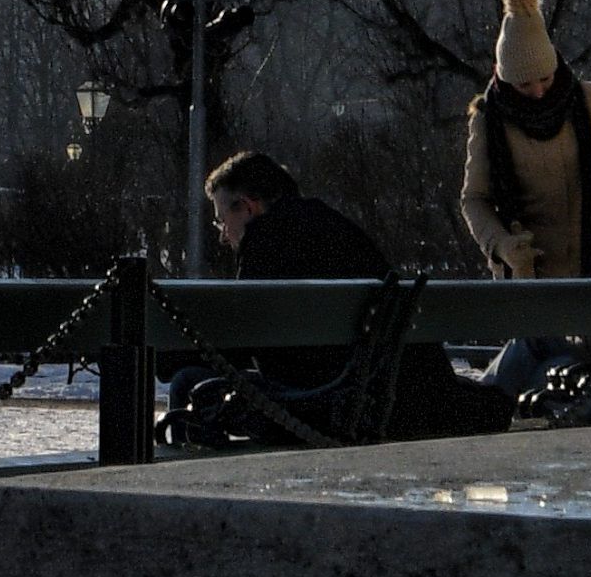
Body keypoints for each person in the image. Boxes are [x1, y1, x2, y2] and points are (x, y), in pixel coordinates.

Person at [177, 151, 511, 442]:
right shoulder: (334, 226)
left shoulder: (264, 243)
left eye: (222, 220)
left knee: (186, 382)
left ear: (249, 208)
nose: (223, 235)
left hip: (332, 407)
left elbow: (243, 347)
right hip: (401, 396)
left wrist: (175, 355)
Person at [458, 0, 591, 399]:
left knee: (589, 374)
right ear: (502, 77)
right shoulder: (487, 121)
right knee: (541, 372)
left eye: (545, 79)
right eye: (524, 85)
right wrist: (501, 244)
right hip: (531, 280)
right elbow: (474, 199)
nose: (537, 91)